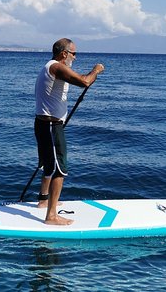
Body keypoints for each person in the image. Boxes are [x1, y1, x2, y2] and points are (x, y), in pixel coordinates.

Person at [34, 38, 104, 225]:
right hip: (51, 125)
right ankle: (51, 216)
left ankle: (43, 201)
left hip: (44, 124)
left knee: (49, 165)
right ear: (64, 53)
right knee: (59, 169)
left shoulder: (51, 67)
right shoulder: (56, 66)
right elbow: (84, 81)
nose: (75, 57)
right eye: (73, 53)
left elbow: (76, 77)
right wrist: (96, 70)